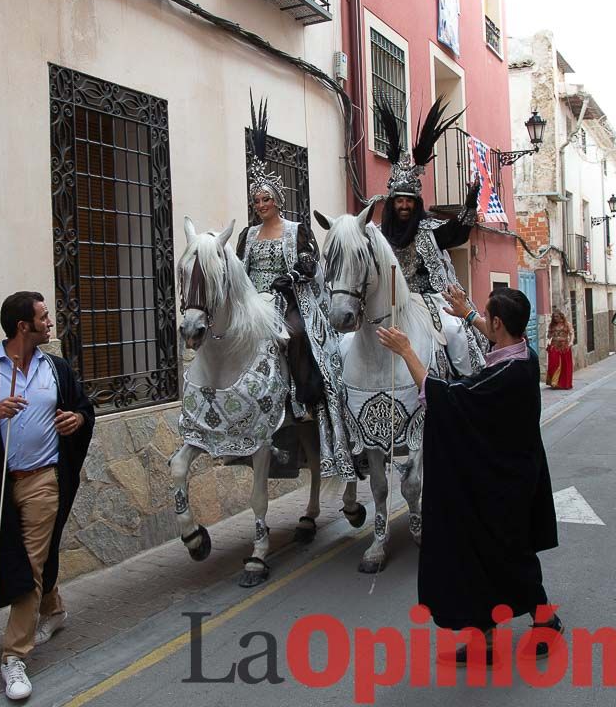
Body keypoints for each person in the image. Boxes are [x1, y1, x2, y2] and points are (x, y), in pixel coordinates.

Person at [378, 287, 560, 666]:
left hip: (505, 481)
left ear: (498, 324)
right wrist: (466, 314)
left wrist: (407, 351)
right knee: (480, 555)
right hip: (498, 472)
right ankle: (486, 641)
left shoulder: (508, 372)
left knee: (511, 555)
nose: (484, 323)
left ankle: (546, 621)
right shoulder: (522, 351)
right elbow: (493, 332)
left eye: (487, 318)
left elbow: (444, 396)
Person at [0, 292, 95, 701]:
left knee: (28, 562)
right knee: (24, 557)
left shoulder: (57, 369)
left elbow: (83, 408)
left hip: (44, 480)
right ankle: (54, 609)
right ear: (22, 326)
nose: (51, 323)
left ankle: (14, 657)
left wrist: (76, 419)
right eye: (44, 317)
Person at [233, 96, 353, 486]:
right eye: (256, 199)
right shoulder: (246, 235)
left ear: (278, 201)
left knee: (297, 333)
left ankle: (303, 395)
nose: (261, 204)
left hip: (289, 300)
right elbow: (239, 270)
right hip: (255, 303)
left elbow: (312, 260)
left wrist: (294, 274)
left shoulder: (297, 228)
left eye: (266, 198)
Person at [372, 96, 487, 376]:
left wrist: (470, 204)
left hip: (428, 300)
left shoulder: (430, 229)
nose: (404, 206)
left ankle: (466, 385)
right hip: (387, 303)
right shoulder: (375, 235)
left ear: (417, 203)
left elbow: (457, 234)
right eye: (399, 201)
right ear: (391, 202)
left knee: (455, 332)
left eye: (409, 201)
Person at [544, 308, 573, 389]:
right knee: (554, 363)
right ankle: (554, 382)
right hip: (554, 345)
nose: (555, 318)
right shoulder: (552, 325)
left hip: (565, 345)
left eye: (556, 316)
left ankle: (564, 383)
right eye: (554, 317)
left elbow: (571, 333)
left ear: (561, 316)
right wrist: (549, 338)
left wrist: (571, 342)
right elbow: (549, 336)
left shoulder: (567, 324)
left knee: (565, 365)